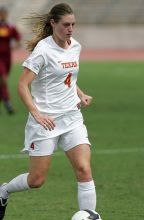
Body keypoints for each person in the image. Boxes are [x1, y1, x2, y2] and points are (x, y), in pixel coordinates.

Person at [0, 3, 96, 219]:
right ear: (53, 23)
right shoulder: (43, 51)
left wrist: (80, 94)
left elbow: (67, 77)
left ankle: (90, 215)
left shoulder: (75, 46)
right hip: (46, 121)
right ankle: (3, 191)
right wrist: (36, 113)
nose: (70, 29)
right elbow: (22, 85)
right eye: (65, 24)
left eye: (73, 24)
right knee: (36, 180)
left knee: (83, 169)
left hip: (71, 117)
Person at [0, 6, 21, 115]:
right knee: (3, 79)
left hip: (7, 57)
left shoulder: (10, 26)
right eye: (2, 13)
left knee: (3, 80)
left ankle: (3, 99)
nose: (3, 15)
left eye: (5, 13)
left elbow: (18, 38)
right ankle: (7, 102)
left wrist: (16, 45)